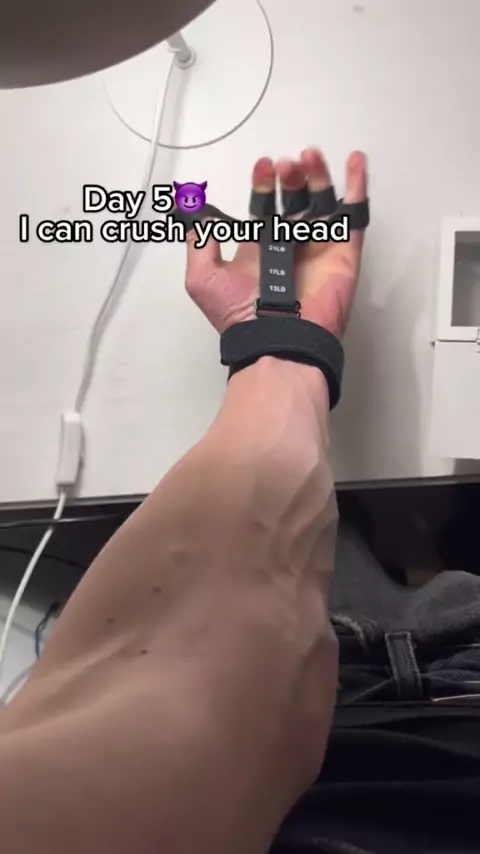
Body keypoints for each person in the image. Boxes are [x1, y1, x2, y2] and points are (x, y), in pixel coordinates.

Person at [0, 147, 479, 854]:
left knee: (355, 544)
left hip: (345, 680)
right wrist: (287, 346)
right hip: (447, 683)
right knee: (425, 548)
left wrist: (278, 339)